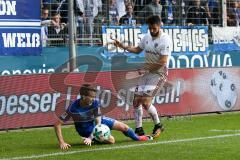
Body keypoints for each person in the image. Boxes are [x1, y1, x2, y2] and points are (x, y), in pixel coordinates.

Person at [113, 15, 171, 138]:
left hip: (159, 73)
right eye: (149, 28)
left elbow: (162, 61)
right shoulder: (147, 37)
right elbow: (137, 50)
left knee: (145, 101)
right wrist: (122, 46)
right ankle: (139, 129)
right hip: (147, 72)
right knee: (136, 101)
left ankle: (158, 125)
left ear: (159, 26)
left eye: (154, 28)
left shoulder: (165, 40)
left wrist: (144, 69)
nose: (151, 31)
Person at [54, 84, 153, 150]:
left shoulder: (95, 102)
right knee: (112, 140)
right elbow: (57, 124)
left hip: (96, 122)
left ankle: (139, 138)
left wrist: (91, 136)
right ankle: (93, 140)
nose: (93, 99)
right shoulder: (73, 107)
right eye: (91, 97)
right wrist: (61, 142)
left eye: (94, 97)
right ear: (83, 96)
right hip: (85, 129)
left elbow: (98, 123)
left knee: (124, 127)